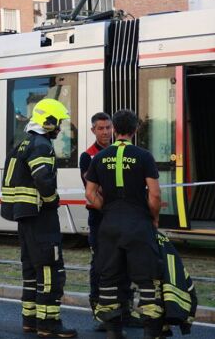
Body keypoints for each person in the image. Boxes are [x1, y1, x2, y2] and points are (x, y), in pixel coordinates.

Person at [1, 98, 76, 338]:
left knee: (32, 270)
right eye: (59, 122)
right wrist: (53, 200)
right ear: (48, 121)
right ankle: (48, 323)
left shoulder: (22, 142)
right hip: (41, 215)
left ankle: (30, 320)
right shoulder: (42, 145)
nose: (60, 128)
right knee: (50, 269)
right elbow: (43, 178)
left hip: (25, 217)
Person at [85, 109, 163, 339]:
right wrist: (154, 217)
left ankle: (113, 330)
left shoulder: (99, 157)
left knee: (109, 277)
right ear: (135, 129)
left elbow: (90, 193)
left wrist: (106, 209)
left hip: (109, 226)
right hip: (138, 224)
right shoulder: (144, 156)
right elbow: (155, 194)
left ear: (115, 129)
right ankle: (151, 330)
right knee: (147, 278)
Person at [80, 112, 129, 328]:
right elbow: (93, 189)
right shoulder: (87, 156)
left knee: (124, 262)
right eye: (100, 128)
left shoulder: (121, 152)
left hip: (120, 216)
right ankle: (100, 312)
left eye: (108, 127)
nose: (106, 132)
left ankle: (124, 311)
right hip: (99, 217)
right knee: (100, 264)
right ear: (93, 130)